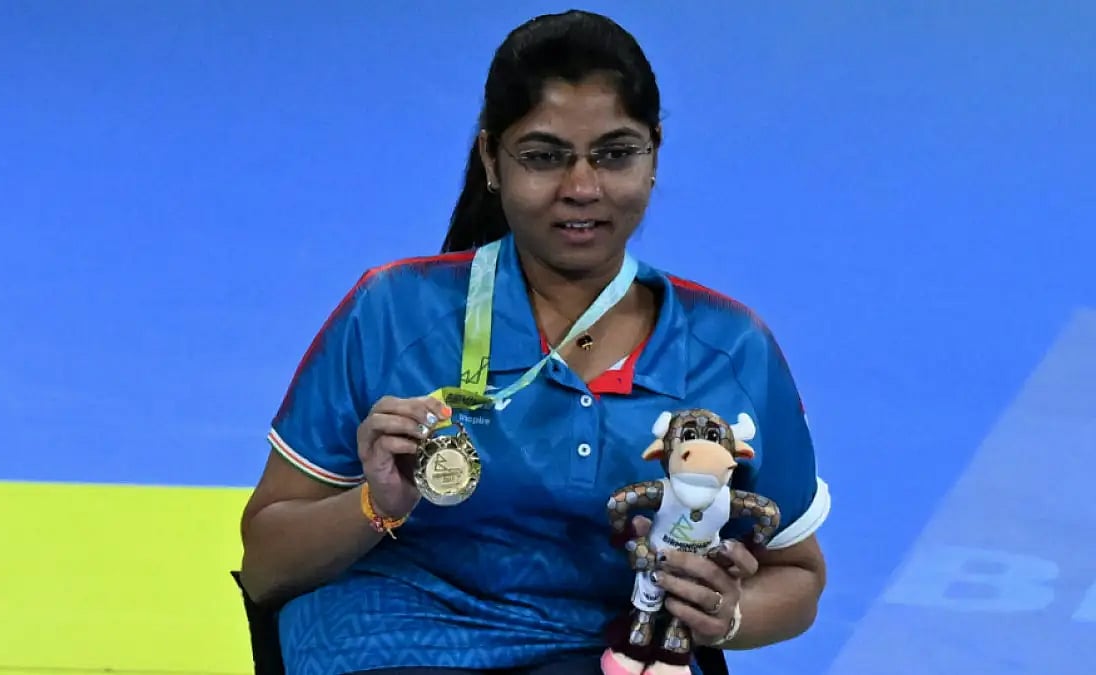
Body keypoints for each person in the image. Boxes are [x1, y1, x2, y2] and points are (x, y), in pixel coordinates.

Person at [237, 9, 830, 675]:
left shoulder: (730, 348)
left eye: (615, 153)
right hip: (393, 637)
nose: (581, 188)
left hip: (607, 651)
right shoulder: (393, 313)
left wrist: (731, 615)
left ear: (654, 152)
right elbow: (265, 568)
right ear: (493, 158)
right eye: (544, 156)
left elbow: (798, 574)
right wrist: (377, 502)